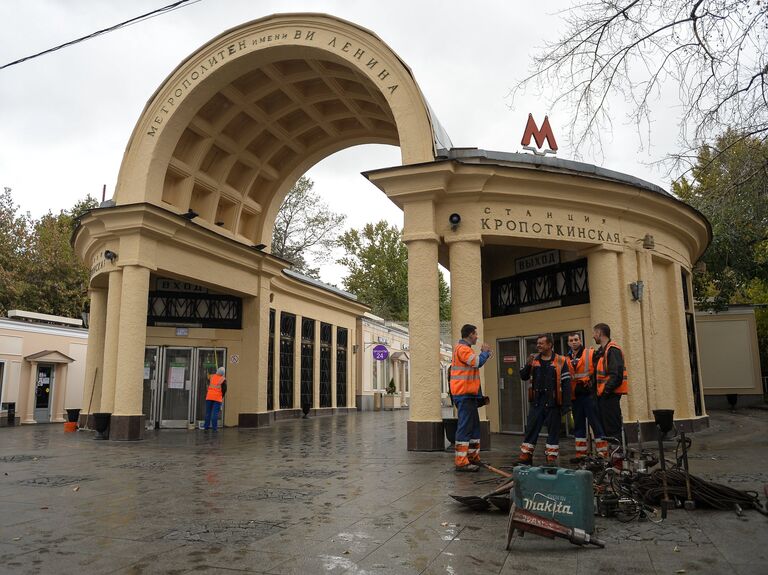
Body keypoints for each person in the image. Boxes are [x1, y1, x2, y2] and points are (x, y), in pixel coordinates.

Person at [517, 334, 571, 465]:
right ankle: (526, 455)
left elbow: (566, 384)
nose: (538, 345)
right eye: (538, 343)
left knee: (553, 430)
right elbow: (523, 376)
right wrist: (528, 365)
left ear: (550, 345)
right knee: (532, 428)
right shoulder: (534, 360)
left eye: (541, 343)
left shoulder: (561, 361)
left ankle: (551, 457)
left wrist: (566, 405)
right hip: (537, 401)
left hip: (553, 402)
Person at [450, 324, 492, 472]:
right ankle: (461, 461)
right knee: (465, 427)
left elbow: (475, 363)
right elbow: (477, 362)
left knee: (474, 427)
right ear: (469, 335)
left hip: (469, 395)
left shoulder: (465, 350)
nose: (477, 337)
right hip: (464, 395)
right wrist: (485, 353)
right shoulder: (462, 349)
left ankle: (473, 457)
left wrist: (485, 354)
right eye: (475, 334)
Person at [566, 332, 608, 461]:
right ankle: (581, 454)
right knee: (578, 426)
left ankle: (602, 453)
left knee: (595, 423)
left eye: (576, 339)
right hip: (575, 397)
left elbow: (599, 369)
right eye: (571, 340)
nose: (574, 342)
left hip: (589, 395)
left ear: (580, 340)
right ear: (568, 343)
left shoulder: (590, 353)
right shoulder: (566, 358)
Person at [591, 323, 628, 447]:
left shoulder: (612, 350)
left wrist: (606, 391)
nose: (593, 336)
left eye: (594, 333)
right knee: (608, 428)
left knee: (613, 429)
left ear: (600, 334)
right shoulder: (604, 351)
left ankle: (619, 458)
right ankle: (615, 457)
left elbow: (616, 375)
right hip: (604, 395)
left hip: (609, 396)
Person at [204, 366, 227, 431]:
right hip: (217, 398)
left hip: (209, 397)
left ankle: (206, 427)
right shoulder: (223, 379)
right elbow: (224, 389)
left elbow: (207, 379)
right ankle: (214, 428)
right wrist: (221, 396)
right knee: (215, 414)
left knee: (208, 413)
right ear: (223, 373)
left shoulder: (212, 376)